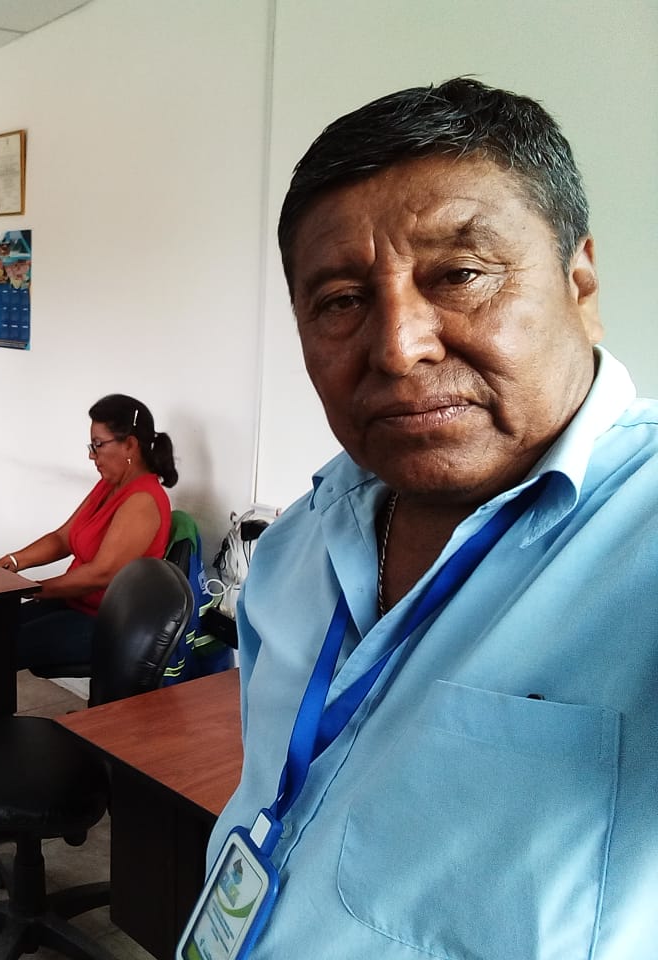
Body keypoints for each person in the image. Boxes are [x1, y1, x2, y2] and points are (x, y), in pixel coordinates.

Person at [200, 78, 657, 959]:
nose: (399, 344)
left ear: (581, 281)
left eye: (460, 275)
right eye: (341, 300)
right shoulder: (293, 547)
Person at [0, 394, 177, 671]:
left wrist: (35, 589)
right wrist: (11, 563)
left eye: (98, 445)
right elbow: (62, 538)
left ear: (130, 444)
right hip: (74, 603)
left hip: (107, 622)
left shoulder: (143, 500)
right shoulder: (109, 485)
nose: (92, 455)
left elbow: (101, 573)